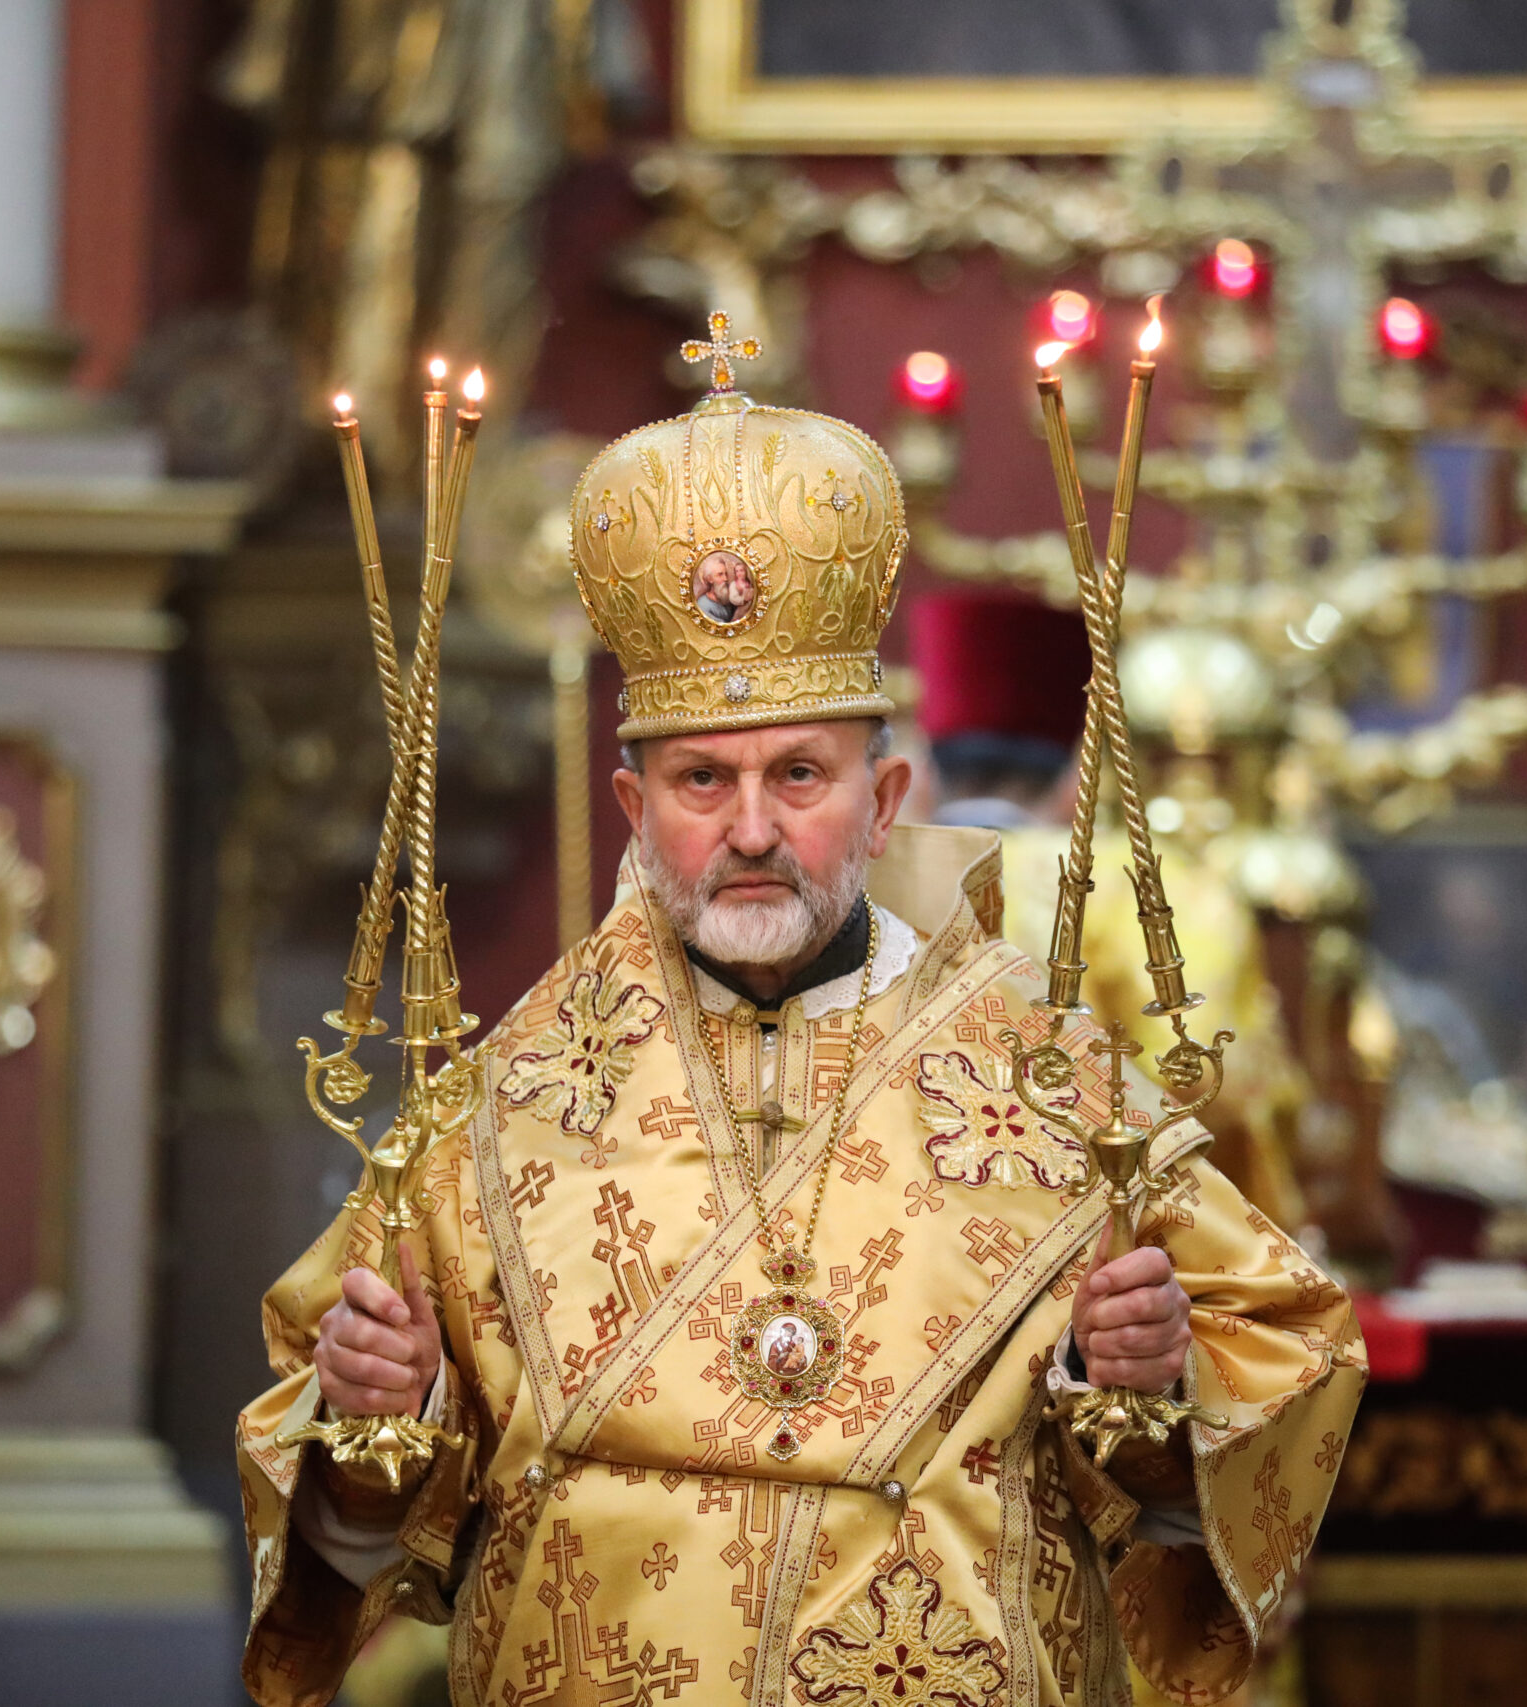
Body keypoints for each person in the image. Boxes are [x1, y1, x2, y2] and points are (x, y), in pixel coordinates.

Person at [236, 345, 1364, 1707]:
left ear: (884, 802)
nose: (754, 830)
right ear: (635, 808)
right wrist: (385, 1416)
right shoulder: (500, 1108)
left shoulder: (1059, 1092)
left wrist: (1136, 1383)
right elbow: (356, 1536)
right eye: (702, 781)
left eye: (800, 775)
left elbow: (1277, 1375)